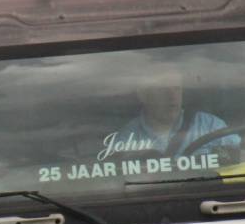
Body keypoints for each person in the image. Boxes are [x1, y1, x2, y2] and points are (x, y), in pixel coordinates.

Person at [95, 60, 234, 170]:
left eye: (176, 89)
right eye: (163, 90)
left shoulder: (210, 126)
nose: (172, 96)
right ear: (143, 95)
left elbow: (240, 154)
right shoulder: (126, 139)